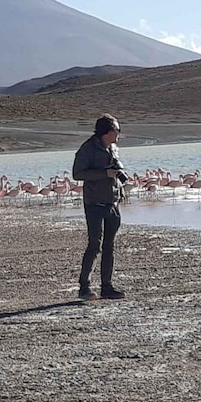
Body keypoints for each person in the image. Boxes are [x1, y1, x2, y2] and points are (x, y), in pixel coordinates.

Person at [73, 113, 127, 301]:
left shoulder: (113, 148)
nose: (118, 134)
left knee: (109, 245)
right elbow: (77, 174)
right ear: (108, 131)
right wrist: (104, 174)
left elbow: (114, 172)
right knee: (94, 244)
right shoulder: (87, 149)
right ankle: (84, 286)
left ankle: (107, 286)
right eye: (116, 130)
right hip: (94, 202)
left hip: (112, 201)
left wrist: (120, 189)